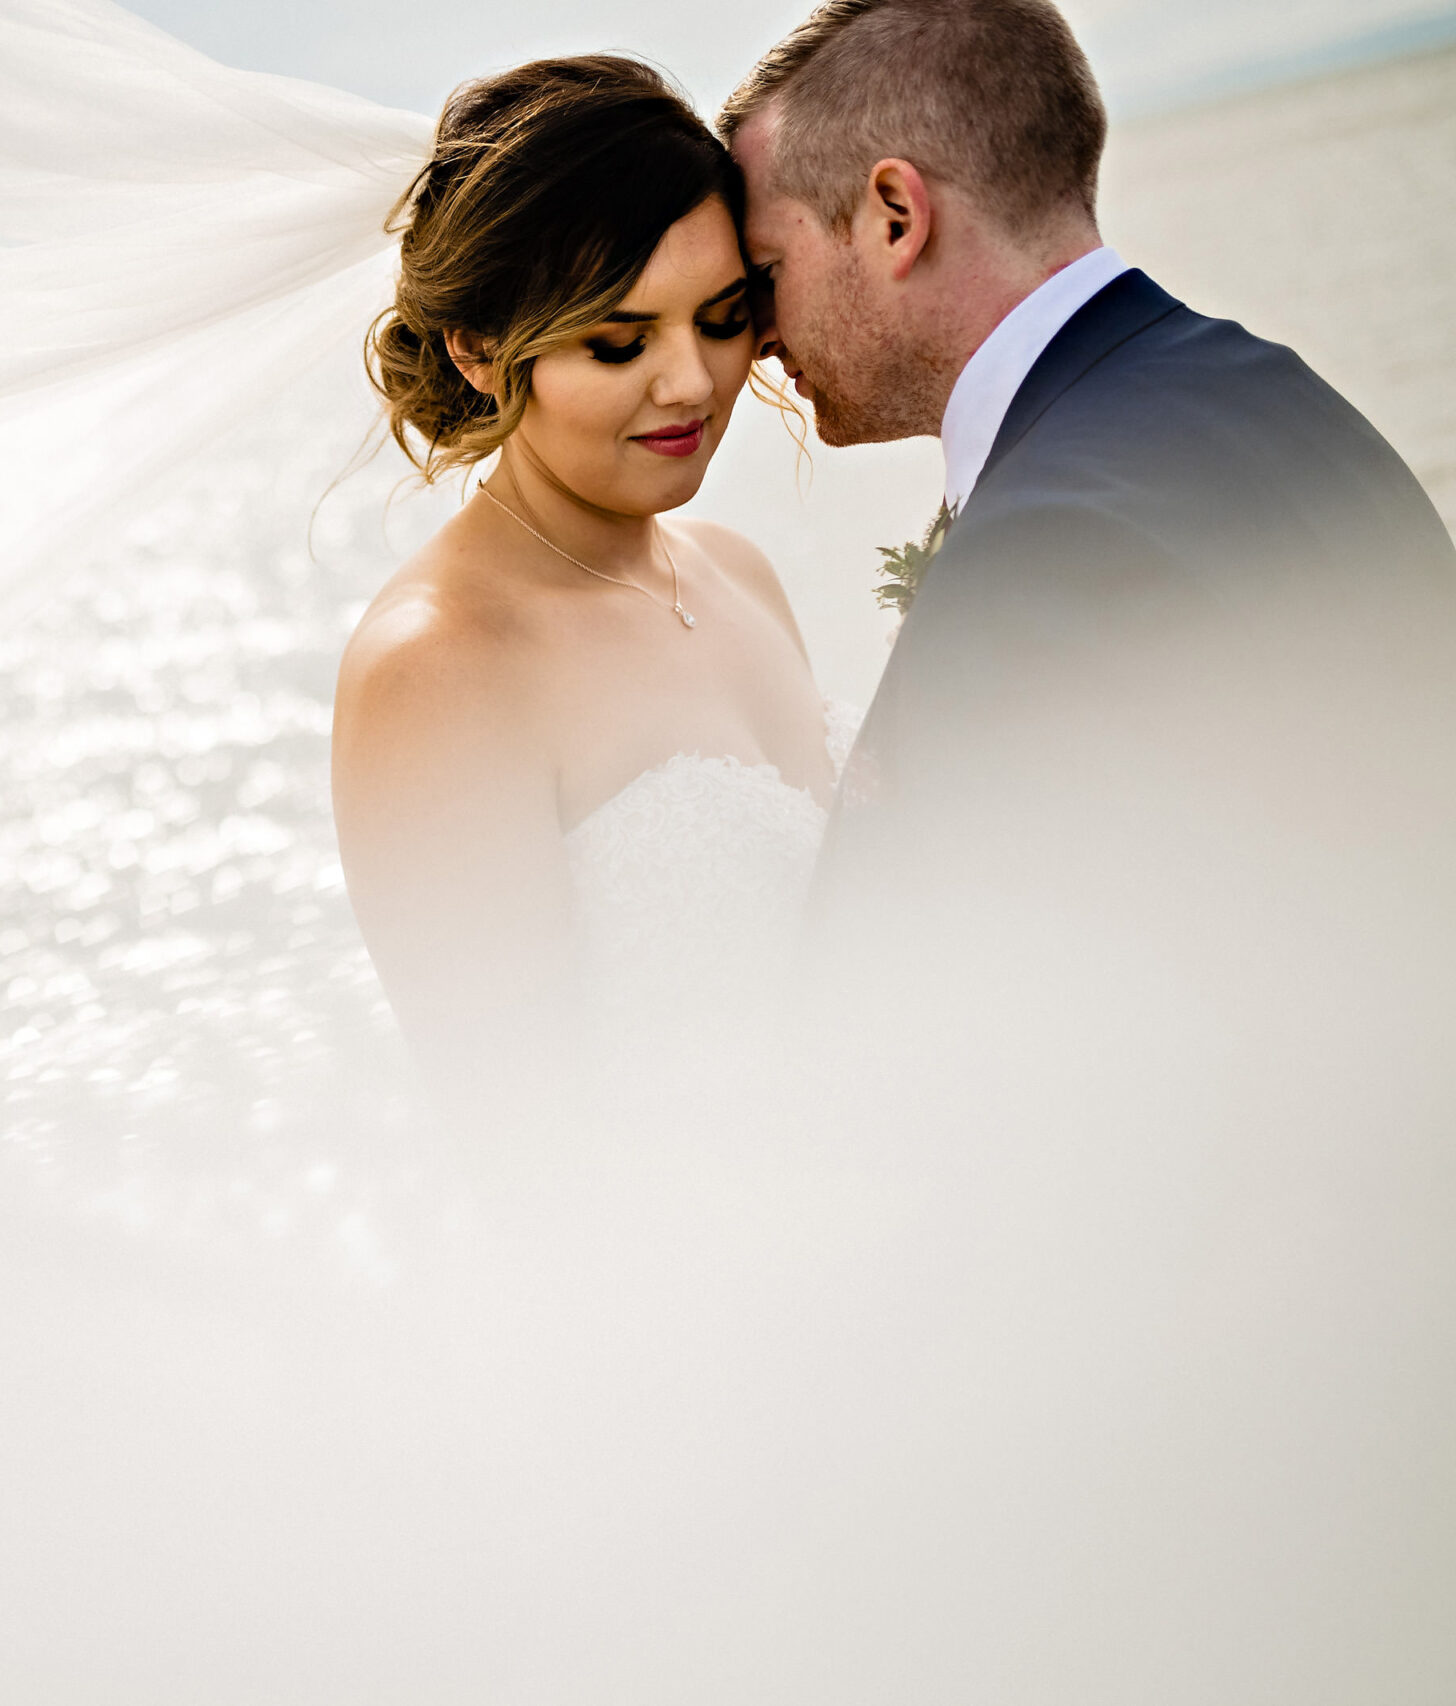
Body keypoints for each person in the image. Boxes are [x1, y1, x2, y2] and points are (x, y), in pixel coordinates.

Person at [720, 0, 1456, 951]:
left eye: (768, 271)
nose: (758, 336)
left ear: (896, 217)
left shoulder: (1045, 547)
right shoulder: (1270, 386)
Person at [331, 56, 841, 1123]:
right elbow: (523, 1140)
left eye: (721, 318)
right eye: (618, 342)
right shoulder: (438, 667)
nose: (690, 382)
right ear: (478, 350)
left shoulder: (736, 571)